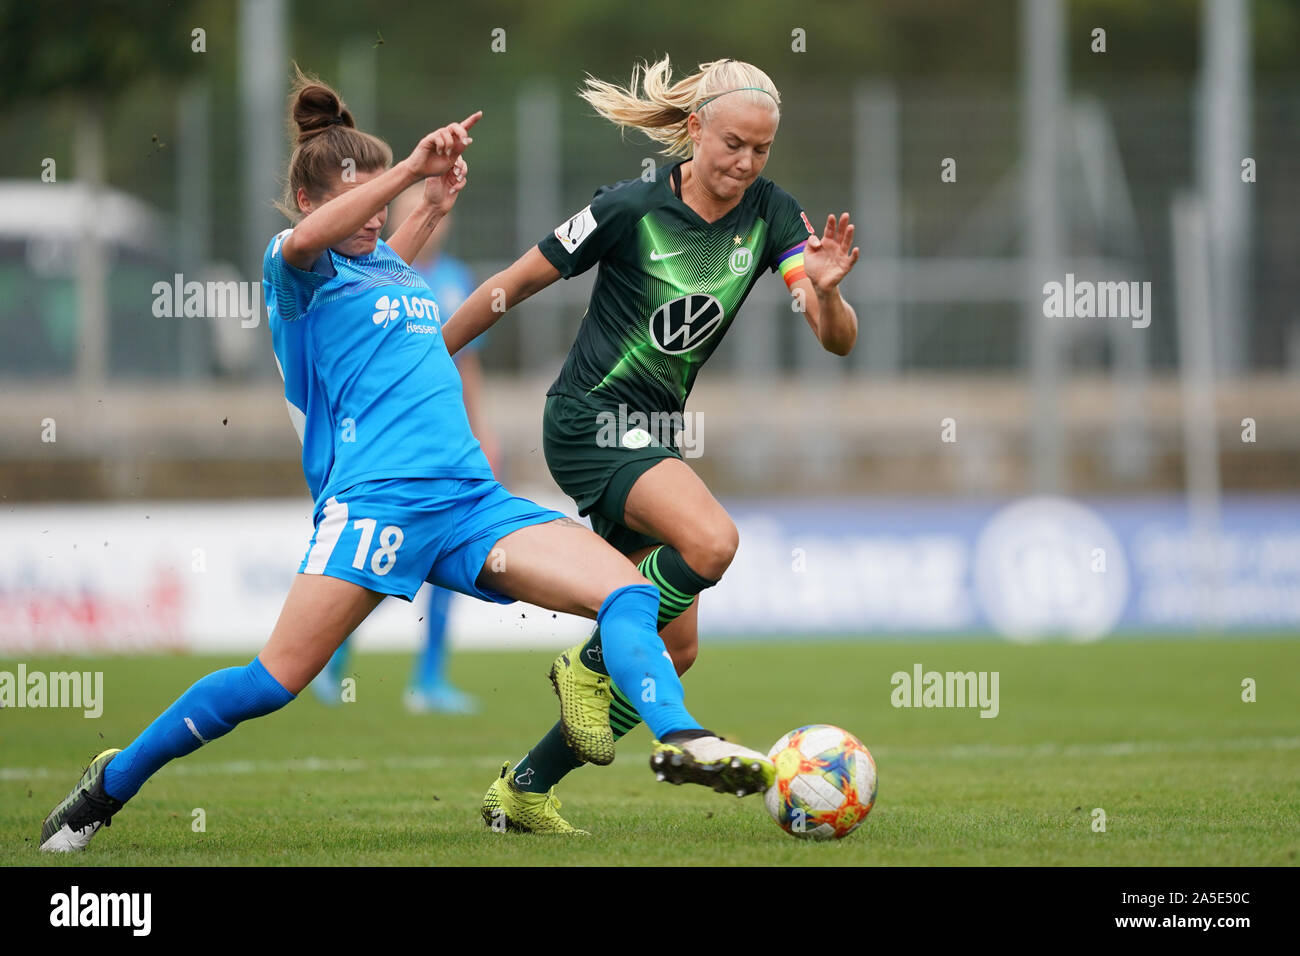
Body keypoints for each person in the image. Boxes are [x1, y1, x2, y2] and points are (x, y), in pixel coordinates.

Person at [38, 68, 774, 852]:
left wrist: (432, 200)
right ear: (316, 203)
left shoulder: (385, 264)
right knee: (271, 682)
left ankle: (684, 737)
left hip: (468, 501)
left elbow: (388, 259)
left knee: (628, 592)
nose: (380, 215)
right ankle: (109, 784)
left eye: (386, 206)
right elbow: (318, 241)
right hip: (376, 504)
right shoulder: (293, 269)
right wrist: (410, 171)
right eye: (366, 200)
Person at [442, 56, 860, 833]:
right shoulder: (628, 208)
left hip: (650, 439)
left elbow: (832, 337)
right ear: (695, 129)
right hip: (587, 420)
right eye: (733, 143)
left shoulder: (773, 214)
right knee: (711, 540)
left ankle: (523, 791)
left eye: (761, 150)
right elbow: (513, 283)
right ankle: (589, 667)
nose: (744, 163)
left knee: (675, 648)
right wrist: (429, 361)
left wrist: (828, 295)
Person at [310, 195, 499, 715]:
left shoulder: (455, 278)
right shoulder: (367, 276)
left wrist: (483, 433)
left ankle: (430, 679)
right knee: (380, 571)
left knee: (447, 572)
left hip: (447, 451)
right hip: (390, 453)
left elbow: (466, 367)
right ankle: (330, 661)